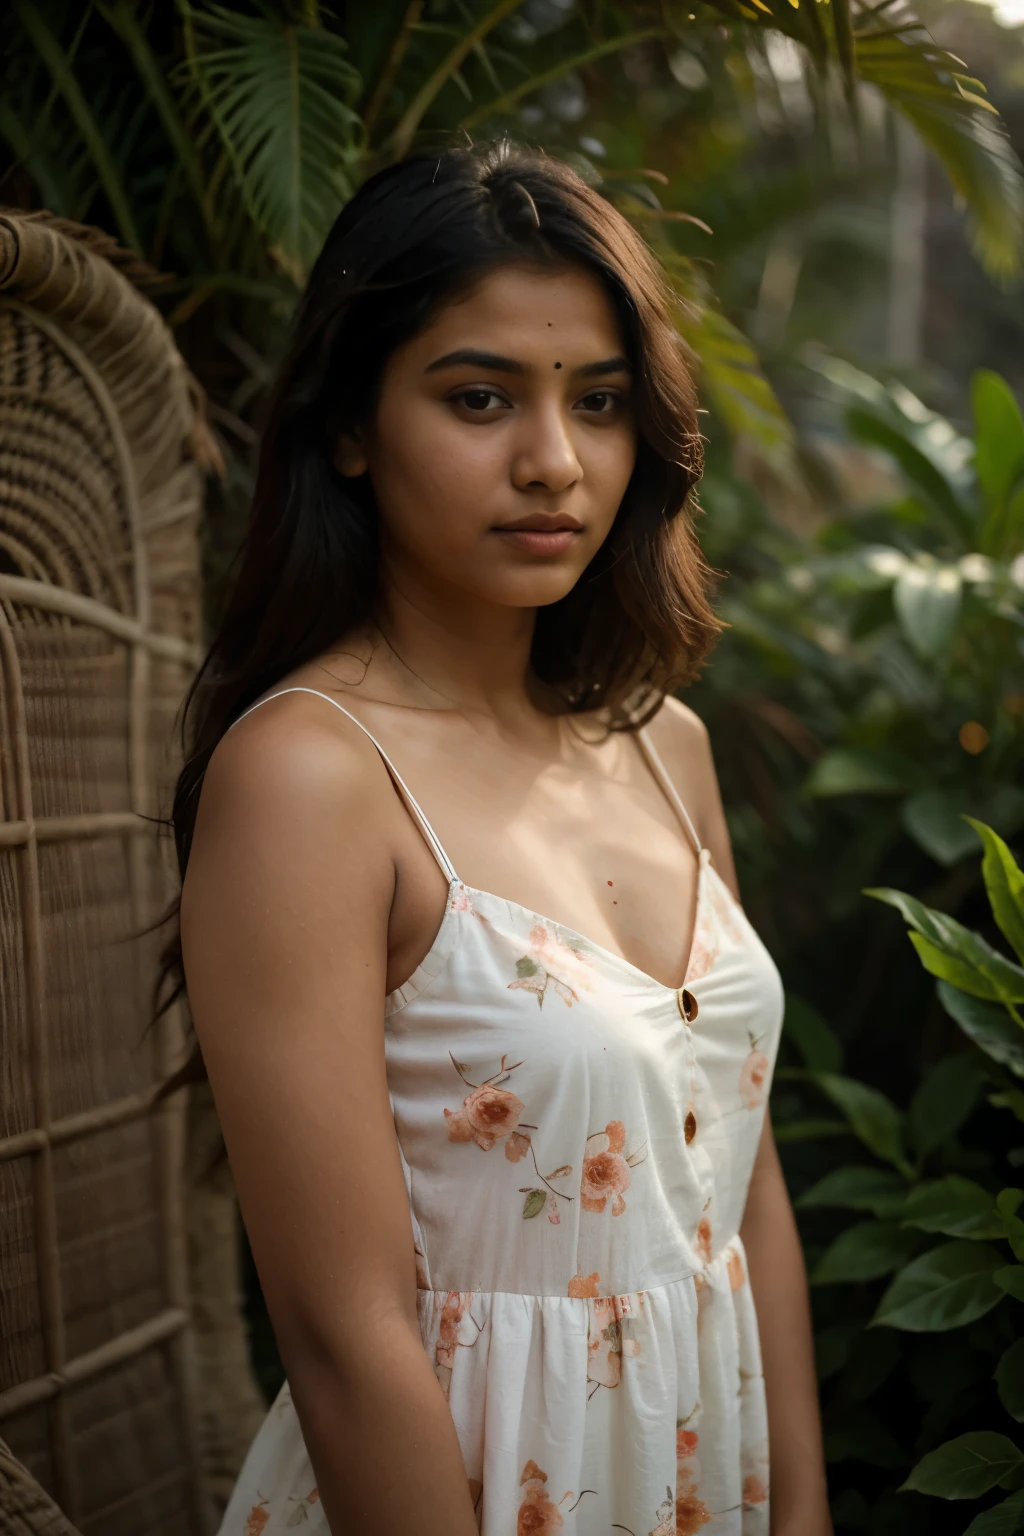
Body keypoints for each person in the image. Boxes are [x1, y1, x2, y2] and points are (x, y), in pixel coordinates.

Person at [172, 140, 831, 1536]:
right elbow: (342, 1338)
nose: (553, 462)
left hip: (706, 1482)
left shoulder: (667, 747)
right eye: (480, 399)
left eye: (598, 404)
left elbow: (744, 1194)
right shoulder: (309, 779)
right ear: (350, 426)